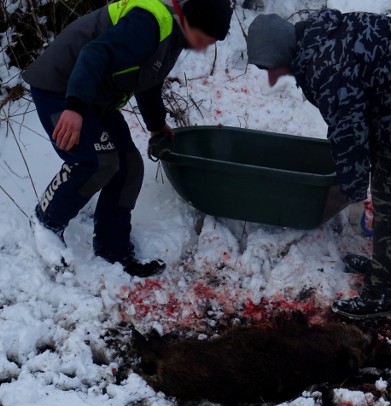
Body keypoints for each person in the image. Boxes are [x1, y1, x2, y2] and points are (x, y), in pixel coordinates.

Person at [246, 11, 391, 319]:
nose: (272, 75)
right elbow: (355, 112)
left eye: (271, 67)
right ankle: (388, 267)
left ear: (282, 52)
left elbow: (348, 128)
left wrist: (352, 187)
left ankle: (383, 294)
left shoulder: (326, 65)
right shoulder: (316, 39)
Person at [23, 0, 233, 277]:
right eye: (208, 38)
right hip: (61, 88)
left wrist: (157, 125)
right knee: (97, 161)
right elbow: (94, 55)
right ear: (194, 22)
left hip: (97, 98)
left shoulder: (172, 37)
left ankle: (112, 247)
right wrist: (74, 107)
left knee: (129, 166)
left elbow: (148, 82)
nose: (206, 46)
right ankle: (46, 222)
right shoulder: (148, 24)